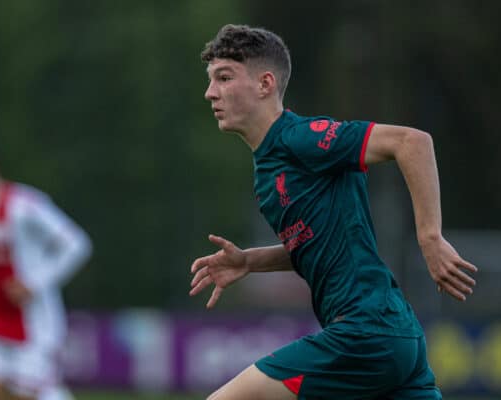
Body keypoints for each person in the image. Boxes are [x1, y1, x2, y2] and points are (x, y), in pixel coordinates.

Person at [190, 24, 478, 400]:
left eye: (224, 78)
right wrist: (248, 262)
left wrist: (430, 237)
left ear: (265, 84)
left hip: (365, 333)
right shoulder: (267, 171)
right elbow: (320, 243)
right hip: (394, 335)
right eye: (211, 80)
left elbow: (412, 142)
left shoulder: (300, 138)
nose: (210, 92)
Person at [0, 138, 92, 400]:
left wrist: (34, 283)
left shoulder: (24, 204)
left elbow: (76, 244)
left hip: (32, 319)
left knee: (24, 395)